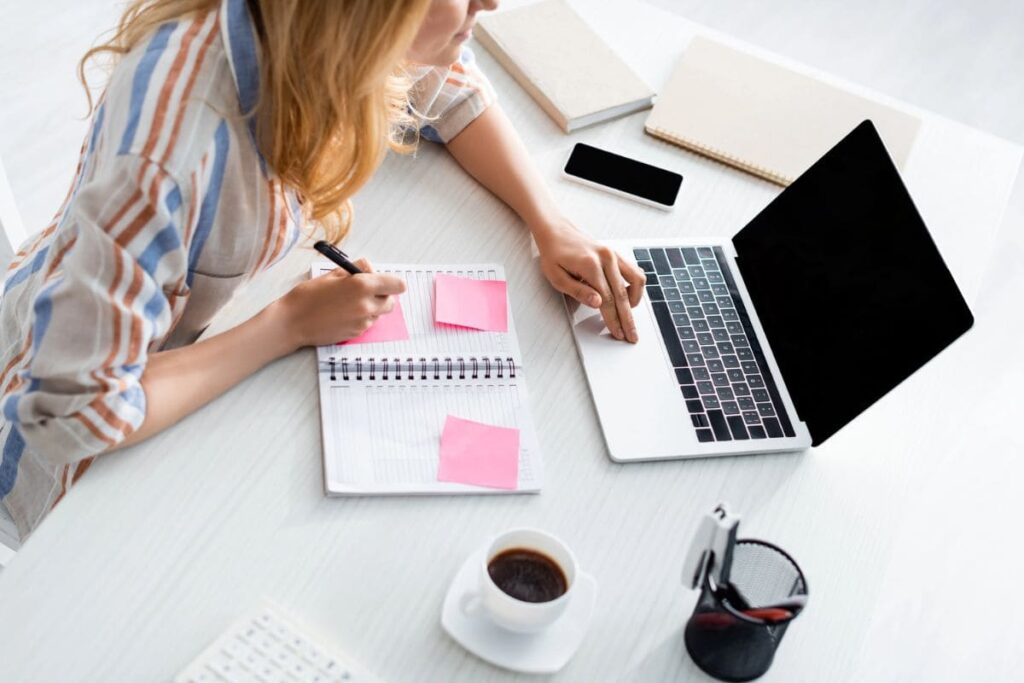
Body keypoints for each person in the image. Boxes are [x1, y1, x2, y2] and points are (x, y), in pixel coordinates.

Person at [0, 0, 645, 540]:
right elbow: (75, 412)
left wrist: (550, 222)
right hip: (65, 476)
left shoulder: (322, 34)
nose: (492, 1)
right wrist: (285, 325)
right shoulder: (169, 157)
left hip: (181, 367)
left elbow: (448, 85)